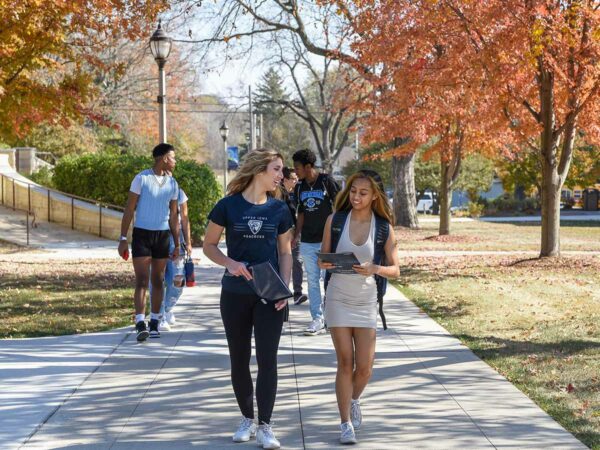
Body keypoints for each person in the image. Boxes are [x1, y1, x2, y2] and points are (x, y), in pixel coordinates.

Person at [203, 149, 293, 450]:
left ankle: (266, 425)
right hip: (235, 295)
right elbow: (209, 246)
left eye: (281, 170)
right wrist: (230, 263)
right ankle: (246, 418)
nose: (281, 175)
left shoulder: (279, 210)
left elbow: (285, 252)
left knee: (268, 360)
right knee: (239, 359)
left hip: (269, 296)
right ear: (259, 170)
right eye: (276, 169)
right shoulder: (227, 206)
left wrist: (283, 289)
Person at [318, 170, 400, 445]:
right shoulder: (336, 220)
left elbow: (396, 269)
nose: (356, 197)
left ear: (374, 196)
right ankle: (345, 423)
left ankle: (353, 399)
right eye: (353, 191)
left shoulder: (384, 227)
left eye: (363, 193)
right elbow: (322, 258)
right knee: (345, 361)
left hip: (365, 299)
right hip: (338, 296)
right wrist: (326, 262)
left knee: (364, 368)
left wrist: (374, 268)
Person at [118, 143, 180, 342]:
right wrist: (122, 238)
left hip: (162, 236)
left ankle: (154, 322)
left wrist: (177, 243)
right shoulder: (141, 179)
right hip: (142, 235)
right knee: (142, 280)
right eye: (173, 157)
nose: (175, 161)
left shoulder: (173, 184)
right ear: (163, 158)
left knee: (158, 280)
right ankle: (139, 322)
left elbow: (173, 217)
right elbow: (129, 209)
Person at [292, 149, 340, 335]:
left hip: (328, 240)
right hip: (308, 242)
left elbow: (339, 207)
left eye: (298, 168)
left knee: (330, 278)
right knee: (312, 281)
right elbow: (301, 213)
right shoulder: (299, 187)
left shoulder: (327, 182)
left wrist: (338, 232)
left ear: (308, 166)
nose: (296, 172)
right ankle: (317, 319)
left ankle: (332, 317)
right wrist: (297, 235)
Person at [155, 186, 193, 331]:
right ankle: (159, 316)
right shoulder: (152, 192)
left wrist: (188, 242)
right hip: (157, 238)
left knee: (178, 280)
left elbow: (184, 218)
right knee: (157, 279)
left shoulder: (179, 192)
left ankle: (167, 308)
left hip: (176, 239)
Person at [281, 167, 307, 305]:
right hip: (281, 235)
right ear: (285, 180)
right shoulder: (277, 194)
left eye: (297, 178)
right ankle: (280, 291)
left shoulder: (298, 194)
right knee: (281, 262)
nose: (296, 181)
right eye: (293, 179)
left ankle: (298, 293)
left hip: (296, 234)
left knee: (297, 262)